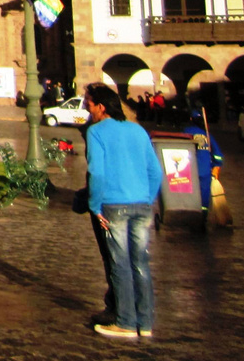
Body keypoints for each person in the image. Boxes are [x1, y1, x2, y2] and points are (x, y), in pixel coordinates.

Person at [83, 82, 162, 340]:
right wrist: (147, 198)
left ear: (101, 107)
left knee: (120, 264)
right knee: (140, 263)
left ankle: (126, 322)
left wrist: (95, 206)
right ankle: (145, 322)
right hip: (142, 204)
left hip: (113, 206)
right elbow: (155, 171)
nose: (87, 108)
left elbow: (97, 172)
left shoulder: (96, 132)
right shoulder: (138, 130)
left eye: (89, 104)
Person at [181, 109, 223, 215]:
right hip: (205, 170)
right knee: (204, 195)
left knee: (188, 193)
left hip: (189, 171)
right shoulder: (207, 135)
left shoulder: (185, 132)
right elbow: (218, 155)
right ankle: (203, 216)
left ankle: (189, 213)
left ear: (191, 119)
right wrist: (215, 166)